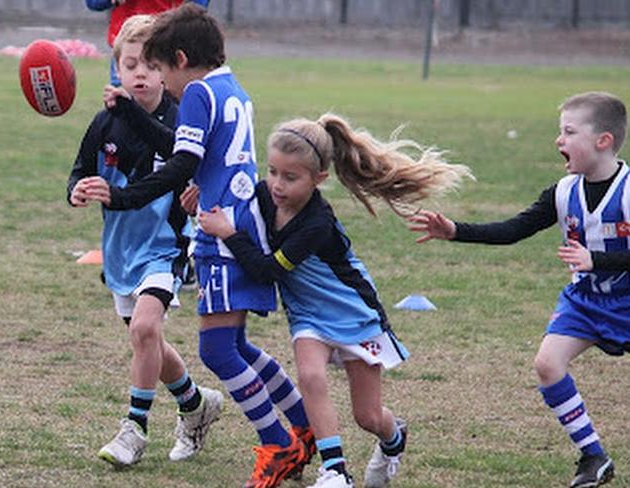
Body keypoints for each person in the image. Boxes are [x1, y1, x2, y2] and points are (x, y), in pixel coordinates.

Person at [79, 5, 314, 487]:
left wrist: (123, 196)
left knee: (217, 351)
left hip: (221, 233)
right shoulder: (231, 88)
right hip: (241, 222)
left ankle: (277, 442)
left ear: (181, 59)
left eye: (161, 68)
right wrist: (128, 111)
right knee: (236, 345)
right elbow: (191, 154)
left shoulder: (198, 95)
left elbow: (180, 164)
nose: (159, 79)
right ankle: (304, 428)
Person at [198, 113, 472, 488]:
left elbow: (266, 270)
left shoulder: (316, 223)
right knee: (310, 375)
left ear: (319, 179)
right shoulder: (265, 195)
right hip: (308, 316)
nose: (276, 185)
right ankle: (335, 471)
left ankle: (395, 438)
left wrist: (228, 234)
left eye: (290, 177)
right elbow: (229, 199)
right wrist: (197, 202)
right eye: (273, 171)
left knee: (369, 417)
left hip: (352, 313)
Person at [409, 91, 628, 488]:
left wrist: (599, 261)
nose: (558, 140)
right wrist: (455, 231)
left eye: (568, 131)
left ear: (604, 141)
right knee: (548, 364)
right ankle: (593, 456)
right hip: (586, 301)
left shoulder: (628, 190)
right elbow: (513, 230)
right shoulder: (562, 192)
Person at [67, 14, 223, 468]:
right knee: (147, 341)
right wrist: (77, 189)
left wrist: (194, 199)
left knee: (144, 329)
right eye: (129, 64)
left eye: (149, 65)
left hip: (166, 246)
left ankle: (134, 429)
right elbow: (80, 170)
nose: (139, 74)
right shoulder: (104, 124)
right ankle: (196, 404)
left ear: (166, 69)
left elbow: (183, 159)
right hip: (120, 250)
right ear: (116, 69)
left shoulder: (180, 121)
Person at [85, 0, 209, 86]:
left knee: (168, 113)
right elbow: (92, 2)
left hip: (166, 48)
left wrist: (184, 23)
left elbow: (198, 8)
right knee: (124, 108)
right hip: (128, 48)